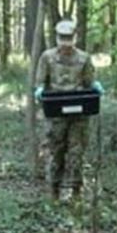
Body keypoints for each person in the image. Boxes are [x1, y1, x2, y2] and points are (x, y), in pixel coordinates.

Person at [34, 19, 96, 201]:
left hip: (78, 113)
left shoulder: (84, 58)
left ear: (74, 38)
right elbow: (40, 81)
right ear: (57, 38)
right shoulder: (47, 57)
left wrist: (95, 88)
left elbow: (89, 83)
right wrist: (39, 92)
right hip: (56, 112)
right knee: (56, 150)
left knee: (76, 151)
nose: (65, 43)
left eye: (69, 38)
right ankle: (54, 190)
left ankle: (76, 191)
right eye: (62, 38)